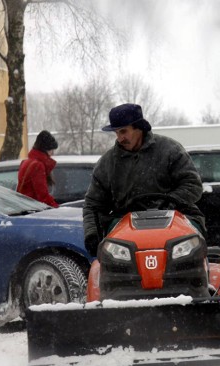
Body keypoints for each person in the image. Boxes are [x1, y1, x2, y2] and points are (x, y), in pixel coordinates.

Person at [83, 103, 206, 257]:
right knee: (111, 264)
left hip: (178, 216)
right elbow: (93, 205)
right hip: (124, 224)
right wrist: (92, 234)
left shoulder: (170, 150)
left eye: (123, 131)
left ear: (139, 128)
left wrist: (170, 202)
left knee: (193, 251)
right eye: (116, 133)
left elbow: (193, 185)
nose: (120, 138)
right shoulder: (107, 163)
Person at [17, 130, 59, 207]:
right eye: (51, 150)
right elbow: (42, 196)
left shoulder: (26, 162)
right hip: (32, 209)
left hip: (24, 206)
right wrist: (57, 208)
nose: (52, 153)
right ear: (44, 149)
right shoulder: (38, 166)